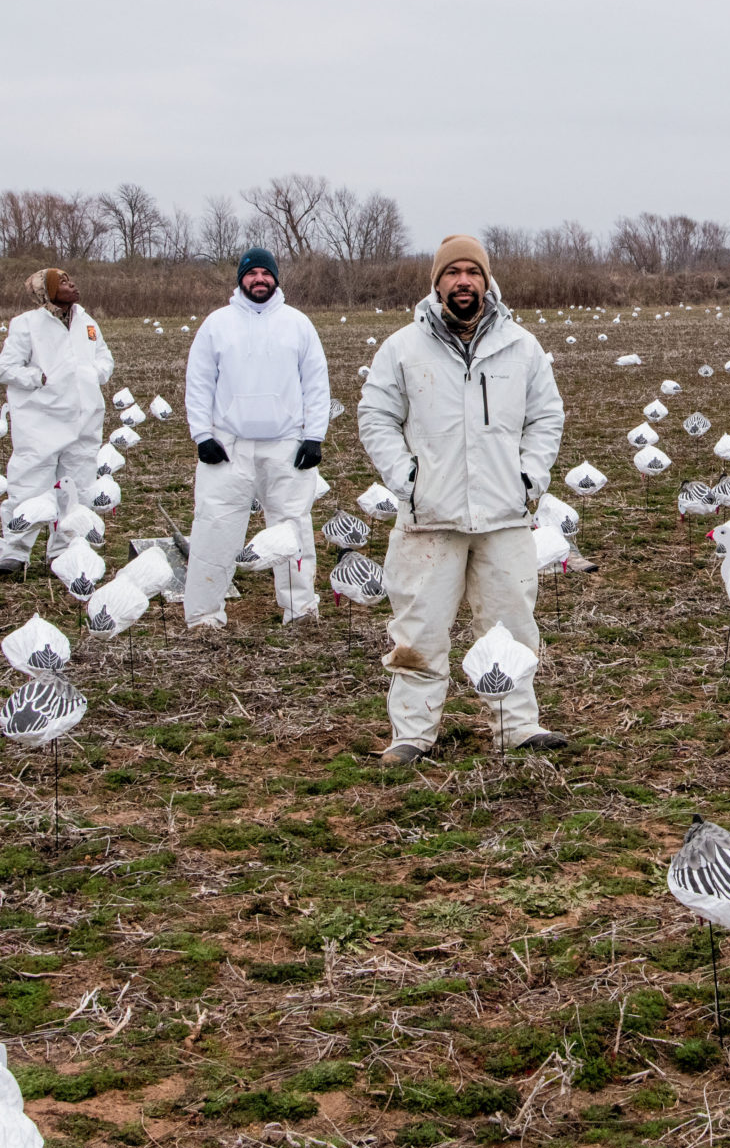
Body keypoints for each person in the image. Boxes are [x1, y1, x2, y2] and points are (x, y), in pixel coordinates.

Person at [357, 235, 567, 761]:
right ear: (437, 283)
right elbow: (375, 416)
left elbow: (547, 418)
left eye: (473, 272)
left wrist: (528, 480)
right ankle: (412, 734)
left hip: (504, 515)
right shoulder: (403, 348)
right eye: (453, 273)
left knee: (512, 623)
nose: (464, 282)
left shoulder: (521, 346)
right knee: (419, 628)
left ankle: (516, 725)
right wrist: (408, 481)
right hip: (430, 517)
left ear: (487, 280)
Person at [182, 248, 332, 627]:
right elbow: (199, 383)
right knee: (214, 525)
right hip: (228, 447)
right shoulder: (217, 324)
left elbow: (316, 384)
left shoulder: (298, 324)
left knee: (292, 526)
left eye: (266, 273)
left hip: (287, 447)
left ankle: (300, 609)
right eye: (252, 274)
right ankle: (204, 615)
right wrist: (202, 435)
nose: (259, 279)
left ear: (276, 278)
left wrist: (314, 437)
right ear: (241, 279)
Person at [0, 267, 115, 574]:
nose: (72, 284)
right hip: (41, 422)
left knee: (78, 488)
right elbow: (5, 370)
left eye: (71, 278)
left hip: (85, 420)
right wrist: (38, 378)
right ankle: (16, 551)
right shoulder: (27, 325)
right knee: (29, 486)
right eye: (63, 281)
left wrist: (94, 373)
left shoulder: (87, 322)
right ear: (45, 292)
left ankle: (63, 549)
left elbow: (104, 357)